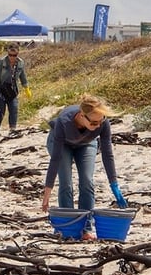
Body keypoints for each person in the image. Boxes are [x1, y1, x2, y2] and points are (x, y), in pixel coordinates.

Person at [40, 94, 128, 240]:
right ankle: (69, 227)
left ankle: (86, 228)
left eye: (101, 121)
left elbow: (107, 154)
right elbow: (55, 160)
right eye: (93, 123)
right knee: (66, 183)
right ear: (82, 116)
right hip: (61, 144)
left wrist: (114, 186)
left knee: (87, 181)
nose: (98, 126)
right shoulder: (64, 121)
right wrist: (47, 193)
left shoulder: (102, 122)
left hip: (87, 144)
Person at [0, 43, 32, 137]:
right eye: (10, 55)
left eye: (14, 55)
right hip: (0, 90)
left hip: (12, 90)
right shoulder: (1, 62)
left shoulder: (20, 62)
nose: (12, 57)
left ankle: (12, 129)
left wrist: (26, 88)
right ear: (8, 53)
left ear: (18, 53)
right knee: (0, 111)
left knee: (14, 109)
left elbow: (22, 76)